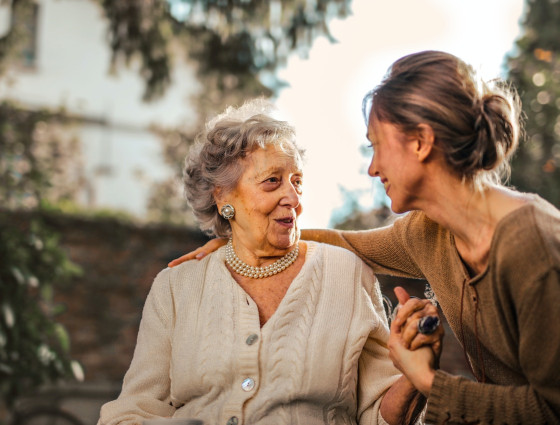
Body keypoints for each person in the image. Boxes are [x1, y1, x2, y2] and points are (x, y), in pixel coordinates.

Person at [169, 52, 560, 424]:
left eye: (376, 146)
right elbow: (347, 243)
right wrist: (244, 237)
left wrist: (429, 383)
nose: (372, 168)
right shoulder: (428, 233)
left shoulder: (532, 245)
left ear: (421, 142)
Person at [98, 99, 437, 425]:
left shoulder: (346, 275)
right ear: (223, 196)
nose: (293, 198)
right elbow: (136, 408)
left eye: (297, 181)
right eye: (272, 181)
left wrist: (414, 375)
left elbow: (380, 416)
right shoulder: (175, 287)